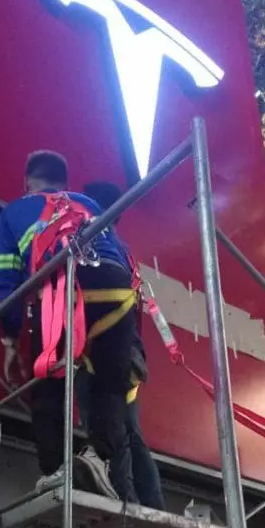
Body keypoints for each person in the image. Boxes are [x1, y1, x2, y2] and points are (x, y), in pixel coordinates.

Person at [0, 151, 137, 498]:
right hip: (117, 294)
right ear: (64, 184)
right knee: (109, 383)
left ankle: (56, 470)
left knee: (48, 385)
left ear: (27, 183)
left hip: (63, 292)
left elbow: (8, 282)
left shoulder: (13, 213)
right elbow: (119, 253)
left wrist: (10, 337)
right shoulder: (87, 203)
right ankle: (99, 459)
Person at [80, 182, 167, 511]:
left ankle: (125, 500)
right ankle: (150, 505)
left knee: (112, 426)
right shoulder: (120, 248)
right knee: (129, 430)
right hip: (127, 349)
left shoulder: (96, 242)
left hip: (111, 349)